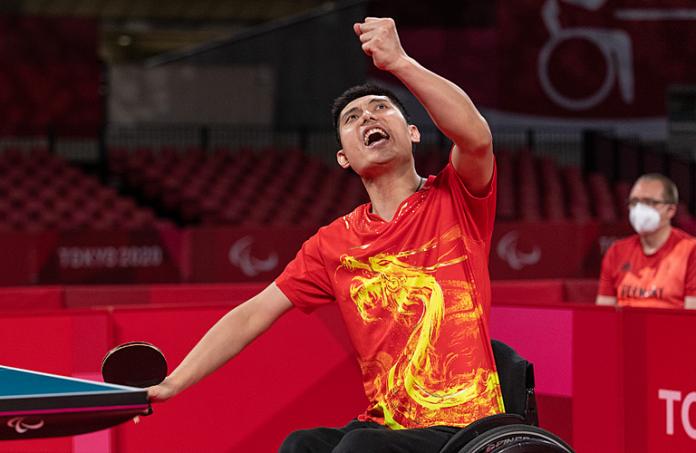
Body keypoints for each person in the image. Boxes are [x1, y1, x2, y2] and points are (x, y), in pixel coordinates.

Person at [148, 17, 502, 452]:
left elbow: (477, 137)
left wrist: (400, 63)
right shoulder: (333, 244)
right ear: (343, 158)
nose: (368, 117)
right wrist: (173, 382)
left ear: (412, 133)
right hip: (387, 427)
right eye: (353, 118)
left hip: (466, 427)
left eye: (381, 108)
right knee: (301, 445)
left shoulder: (457, 199)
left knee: (359, 449)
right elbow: (253, 313)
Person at [596, 173, 696, 309]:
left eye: (649, 202)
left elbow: (691, 318)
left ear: (670, 210)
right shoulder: (616, 251)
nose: (639, 209)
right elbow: (603, 313)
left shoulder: (691, 251)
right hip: (625, 329)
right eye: (634, 202)